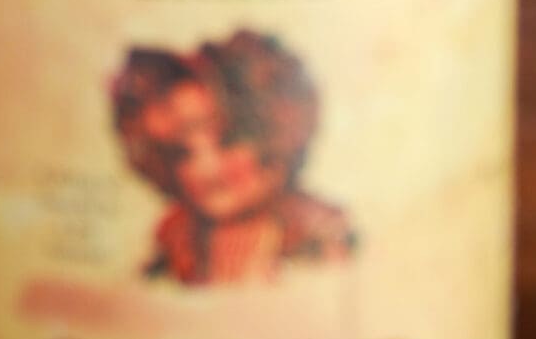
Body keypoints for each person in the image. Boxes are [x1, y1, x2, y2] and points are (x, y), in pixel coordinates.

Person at [111, 30, 355, 285]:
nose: (206, 169)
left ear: (276, 134)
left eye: (228, 140)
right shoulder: (170, 256)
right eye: (180, 153)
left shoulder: (324, 239)